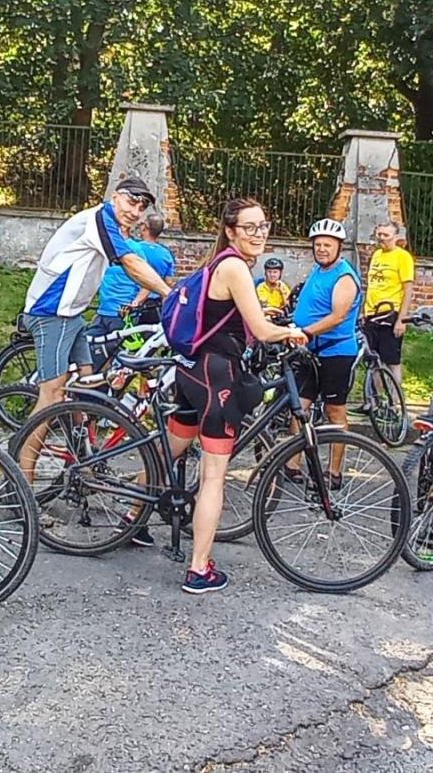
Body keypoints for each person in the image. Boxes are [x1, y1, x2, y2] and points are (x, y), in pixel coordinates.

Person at [170, 198, 309, 593]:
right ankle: (199, 570)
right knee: (214, 476)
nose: (258, 233)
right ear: (230, 231)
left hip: (194, 372)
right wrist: (292, 332)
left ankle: (133, 516)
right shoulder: (234, 267)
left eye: (263, 225)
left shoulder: (221, 262)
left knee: (170, 450)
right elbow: (262, 330)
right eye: (249, 227)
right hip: (217, 377)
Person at [19, 178, 174, 423]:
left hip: (72, 314)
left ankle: (80, 443)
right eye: (131, 202)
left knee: (85, 378)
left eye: (141, 207)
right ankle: (22, 449)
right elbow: (131, 263)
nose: (135, 212)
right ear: (115, 197)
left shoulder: (111, 225)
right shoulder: (99, 219)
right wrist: (169, 294)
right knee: (53, 393)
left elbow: (134, 262)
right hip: (50, 312)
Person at [290, 218, 362, 488]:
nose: (321, 249)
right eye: (318, 244)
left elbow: (337, 316)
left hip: (335, 353)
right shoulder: (318, 270)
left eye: (327, 245)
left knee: (334, 411)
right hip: (310, 351)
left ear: (338, 247)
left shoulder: (344, 277)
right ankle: (292, 465)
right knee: (299, 407)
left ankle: (334, 472)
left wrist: (306, 332)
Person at [88, 210, 176, 362]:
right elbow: (168, 281)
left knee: (121, 356)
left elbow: (148, 283)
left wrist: (134, 303)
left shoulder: (134, 250)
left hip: (126, 311)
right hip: (132, 308)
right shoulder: (166, 254)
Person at [363, 221, 415, 394]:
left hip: (390, 314)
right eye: (379, 234)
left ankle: (395, 400)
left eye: (386, 235)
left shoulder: (403, 257)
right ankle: (375, 399)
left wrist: (402, 319)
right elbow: (370, 286)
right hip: (371, 314)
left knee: (391, 360)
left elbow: (408, 289)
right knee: (374, 360)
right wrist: (363, 311)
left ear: (395, 237)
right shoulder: (376, 255)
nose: (382, 238)